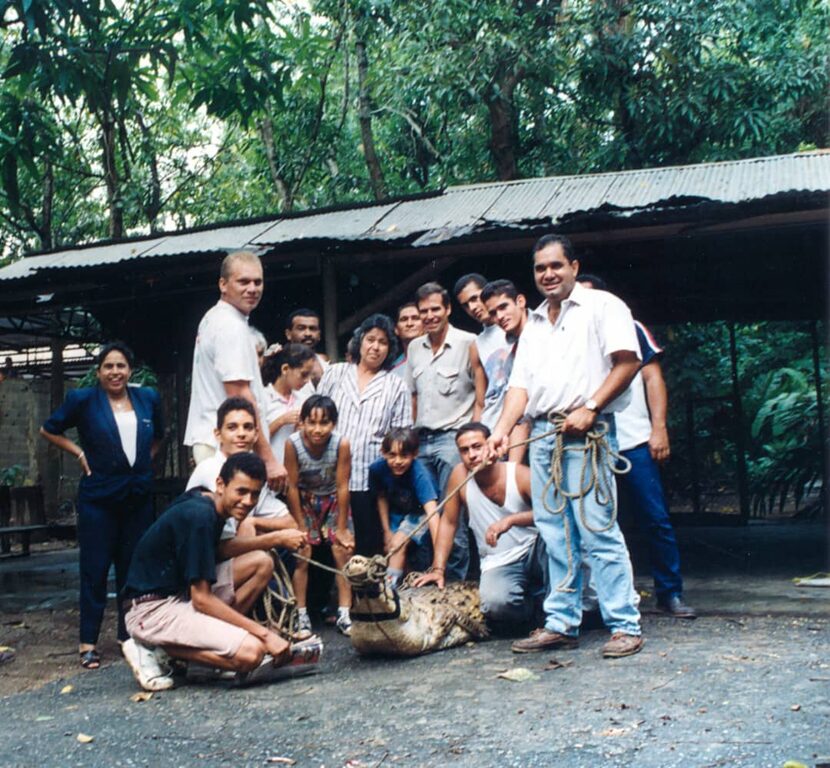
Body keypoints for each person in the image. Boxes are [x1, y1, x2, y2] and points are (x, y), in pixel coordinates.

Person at [489, 234, 645, 659]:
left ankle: (624, 624)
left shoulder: (603, 306)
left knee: (597, 529)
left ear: (574, 266)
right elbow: (519, 388)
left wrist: (592, 407)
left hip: (586, 434)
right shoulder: (535, 323)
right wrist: (500, 431)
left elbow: (628, 361)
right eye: (540, 268)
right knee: (556, 534)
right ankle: (561, 621)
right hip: (543, 437)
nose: (548, 274)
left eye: (556, 265)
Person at [40, 342, 164, 670]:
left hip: (137, 497)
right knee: (94, 570)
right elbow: (49, 429)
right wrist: (79, 454)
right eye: (108, 366)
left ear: (130, 370)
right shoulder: (83, 400)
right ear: (98, 372)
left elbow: (158, 437)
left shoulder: (147, 398)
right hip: (99, 498)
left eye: (121, 366)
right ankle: (88, 643)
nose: (115, 372)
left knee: (132, 568)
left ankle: (129, 636)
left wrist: (141, 466)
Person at [577, 274, 695, 619]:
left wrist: (658, 428)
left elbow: (651, 377)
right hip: (590, 444)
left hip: (633, 440)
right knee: (597, 523)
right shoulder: (565, 336)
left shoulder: (629, 327)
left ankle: (669, 593)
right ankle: (605, 600)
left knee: (654, 517)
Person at [122, 453, 292, 691]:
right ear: (221, 484)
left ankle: (206, 651)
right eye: (241, 491)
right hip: (151, 609)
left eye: (255, 494)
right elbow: (202, 600)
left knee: (261, 563)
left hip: (178, 596)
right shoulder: (200, 516)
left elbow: (217, 551)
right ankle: (152, 646)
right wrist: (264, 635)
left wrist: (275, 539)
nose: (248, 500)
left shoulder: (207, 500)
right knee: (252, 653)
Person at [416, 423, 546, 632]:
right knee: (495, 605)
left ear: (491, 445)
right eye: (465, 450)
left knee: (554, 543)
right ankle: (533, 615)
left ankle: (556, 615)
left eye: (477, 446)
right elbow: (449, 523)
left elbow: (552, 513)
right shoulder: (459, 476)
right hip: (500, 559)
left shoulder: (519, 474)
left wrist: (511, 520)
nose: (472, 455)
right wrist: (438, 569)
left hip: (535, 548)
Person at [183, 251, 285, 490]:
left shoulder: (216, 318)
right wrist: (269, 460)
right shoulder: (230, 326)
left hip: (217, 441)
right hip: (226, 447)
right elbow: (240, 396)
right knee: (235, 525)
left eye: (258, 282)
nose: (252, 288)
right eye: (243, 281)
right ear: (223, 284)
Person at [318, 314, 411, 557]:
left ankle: (366, 595)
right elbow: (314, 415)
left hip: (369, 479)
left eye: (383, 342)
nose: (375, 347)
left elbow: (401, 435)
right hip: (328, 476)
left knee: (366, 548)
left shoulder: (395, 385)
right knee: (328, 546)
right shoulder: (335, 373)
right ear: (360, 341)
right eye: (371, 339)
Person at [405, 281, 476, 579]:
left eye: (436, 309)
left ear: (447, 309)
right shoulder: (414, 347)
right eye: (424, 311)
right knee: (426, 515)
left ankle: (455, 586)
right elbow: (414, 396)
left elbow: (482, 395)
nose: (430, 316)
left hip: (453, 440)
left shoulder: (468, 342)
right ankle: (428, 582)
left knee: (453, 515)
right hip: (422, 442)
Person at [185, 397, 304, 555]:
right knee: (261, 561)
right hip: (200, 560)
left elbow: (290, 523)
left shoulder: (251, 473)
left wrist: (253, 522)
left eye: (247, 427)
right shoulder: (212, 470)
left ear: (256, 435)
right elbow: (222, 547)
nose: (241, 434)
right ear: (218, 434)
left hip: (228, 560)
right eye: (232, 427)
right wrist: (275, 538)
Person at [284, 395, 354, 636]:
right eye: (311, 423)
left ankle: (345, 612)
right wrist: (300, 524)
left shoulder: (341, 444)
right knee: (302, 554)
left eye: (324, 423)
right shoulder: (293, 444)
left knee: (341, 551)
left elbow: (343, 486)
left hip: (333, 499)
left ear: (333, 424)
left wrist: (342, 527)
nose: (317, 430)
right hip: (305, 500)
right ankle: (301, 614)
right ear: (302, 422)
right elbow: (291, 486)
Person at [369, 427, 439, 587]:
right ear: (383, 453)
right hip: (396, 510)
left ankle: (388, 591)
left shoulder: (420, 475)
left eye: (404, 455)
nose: (398, 461)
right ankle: (402, 586)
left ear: (415, 454)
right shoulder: (377, 469)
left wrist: (438, 560)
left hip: (419, 511)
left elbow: (432, 514)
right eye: (392, 455)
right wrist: (386, 531)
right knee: (390, 547)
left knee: (397, 544)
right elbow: (381, 497)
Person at [480, 279, 531, 463]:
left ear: (520, 302)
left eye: (503, 307)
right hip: (519, 433)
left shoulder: (543, 331)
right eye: (493, 313)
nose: (499, 316)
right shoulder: (508, 347)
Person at [262, 344, 316, 464]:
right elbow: (256, 439)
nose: (307, 381)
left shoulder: (304, 399)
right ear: (285, 369)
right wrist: (281, 421)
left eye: (310, 376)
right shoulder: (263, 398)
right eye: (303, 374)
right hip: (269, 468)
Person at [285, 308, 329, 389]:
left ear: (319, 335)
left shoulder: (324, 361)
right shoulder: (281, 362)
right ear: (288, 334)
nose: (308, 334)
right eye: (301, 328)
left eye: (312, 329)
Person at [391, 301, 423, 375]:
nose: (409, 323)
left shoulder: (441, 356)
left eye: (415, 318)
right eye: (404, 319)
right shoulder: (392, 372)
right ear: (396, 329)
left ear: (425, 325)